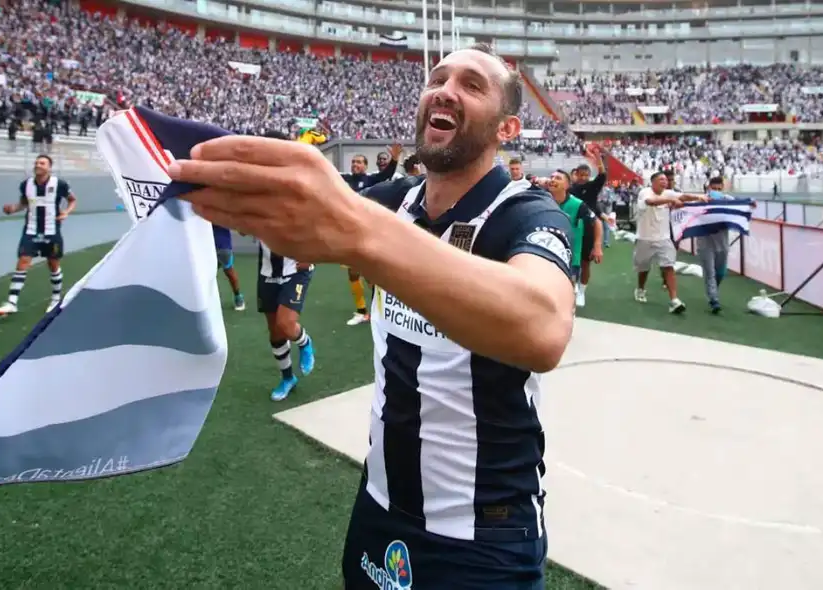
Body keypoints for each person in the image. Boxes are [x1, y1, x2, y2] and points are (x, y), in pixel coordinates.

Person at [167, 43, 575, 589]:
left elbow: (544, 329)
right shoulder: (396, 202)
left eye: (472, 85)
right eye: (438, 77)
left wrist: (361, 232)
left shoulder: (525, 212)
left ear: (508, 129)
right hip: (379, 505)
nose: (445, 89)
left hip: (482, 533)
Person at [255, 130, 317, 401]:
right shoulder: (254, 184)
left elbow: (318, 220)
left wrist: (310, 251)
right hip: (267, 270)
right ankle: (287, 378)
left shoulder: (298, 182)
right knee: (274, 331)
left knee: (286, 324)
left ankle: (305, 342)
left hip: (296, 269)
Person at [0, 154, 76, 316]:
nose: (38, 165)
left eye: (42, 163)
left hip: (51, 231)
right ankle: (11, 302)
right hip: (31, 230)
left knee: (53, 265)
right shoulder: (26, 184)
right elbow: (24, 203)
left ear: (49, 167)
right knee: (23, 262)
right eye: (37, 162)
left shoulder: (60, 184)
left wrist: (66, 212)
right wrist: (12, 209)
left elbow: (72, 200)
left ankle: (55, 298)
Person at [341, 145, 403, 326]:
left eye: (359, 162)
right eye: (353, 162)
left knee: (371, 275)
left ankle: (381, 310)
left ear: (366, 166)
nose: (355, 165)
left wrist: (394, 159)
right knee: (353, 274)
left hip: (367, 231)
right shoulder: (344, 180)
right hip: (349, 232)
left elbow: (385, 175)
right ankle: (362, 311)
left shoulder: (371, 180)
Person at [634, 171, 708, 313]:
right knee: (643, 268)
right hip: (645, 238)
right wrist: (670, 201)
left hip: (664, 238)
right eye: (661, 179)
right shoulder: (645, 192)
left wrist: (698, 197)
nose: (664, 182)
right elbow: (651, 202)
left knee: (668, 266)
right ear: (653, 182)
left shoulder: (668, 193)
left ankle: (674, 300)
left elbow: (684, 196)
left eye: (665, 180)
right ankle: (640, 289)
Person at [696, 177, 756, 314]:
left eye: (719, 189)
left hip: (722, 242)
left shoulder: (727, 199)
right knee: (709, 272)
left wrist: (750, 203)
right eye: (714, 189)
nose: (717, 191)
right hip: (705, 242)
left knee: (720, 273)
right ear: (708, 188)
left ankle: (713, 291)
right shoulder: (701, 200)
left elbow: (741, 204)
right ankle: (714, 300)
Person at [545, 170, 602, 303]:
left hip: (569, 254)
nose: (553, 180)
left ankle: (576, 298)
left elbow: (597, 222)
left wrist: (597, 246)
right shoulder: (542, 198)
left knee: (566, 291)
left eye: (558, 178)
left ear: (567, 185)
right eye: (551, 177)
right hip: (547, 250)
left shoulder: (577, 204)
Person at [569, 144, 607, 306]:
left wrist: (598, 158)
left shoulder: (592, 188)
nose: (583, 177)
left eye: (586, 175)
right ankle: (571, 288)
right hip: (572, 228)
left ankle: (582, 292)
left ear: (589, 176)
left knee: (585, 262)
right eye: (581, 175)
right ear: (576, 175)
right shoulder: (569, 189)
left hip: (589, 229)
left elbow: (603, 176)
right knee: (570, 260)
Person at [213, 224, 246, 311]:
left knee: (229, 272)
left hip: (223, 246)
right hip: (206, 246)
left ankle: (238, 297)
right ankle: (210, 301)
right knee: (207, 275)